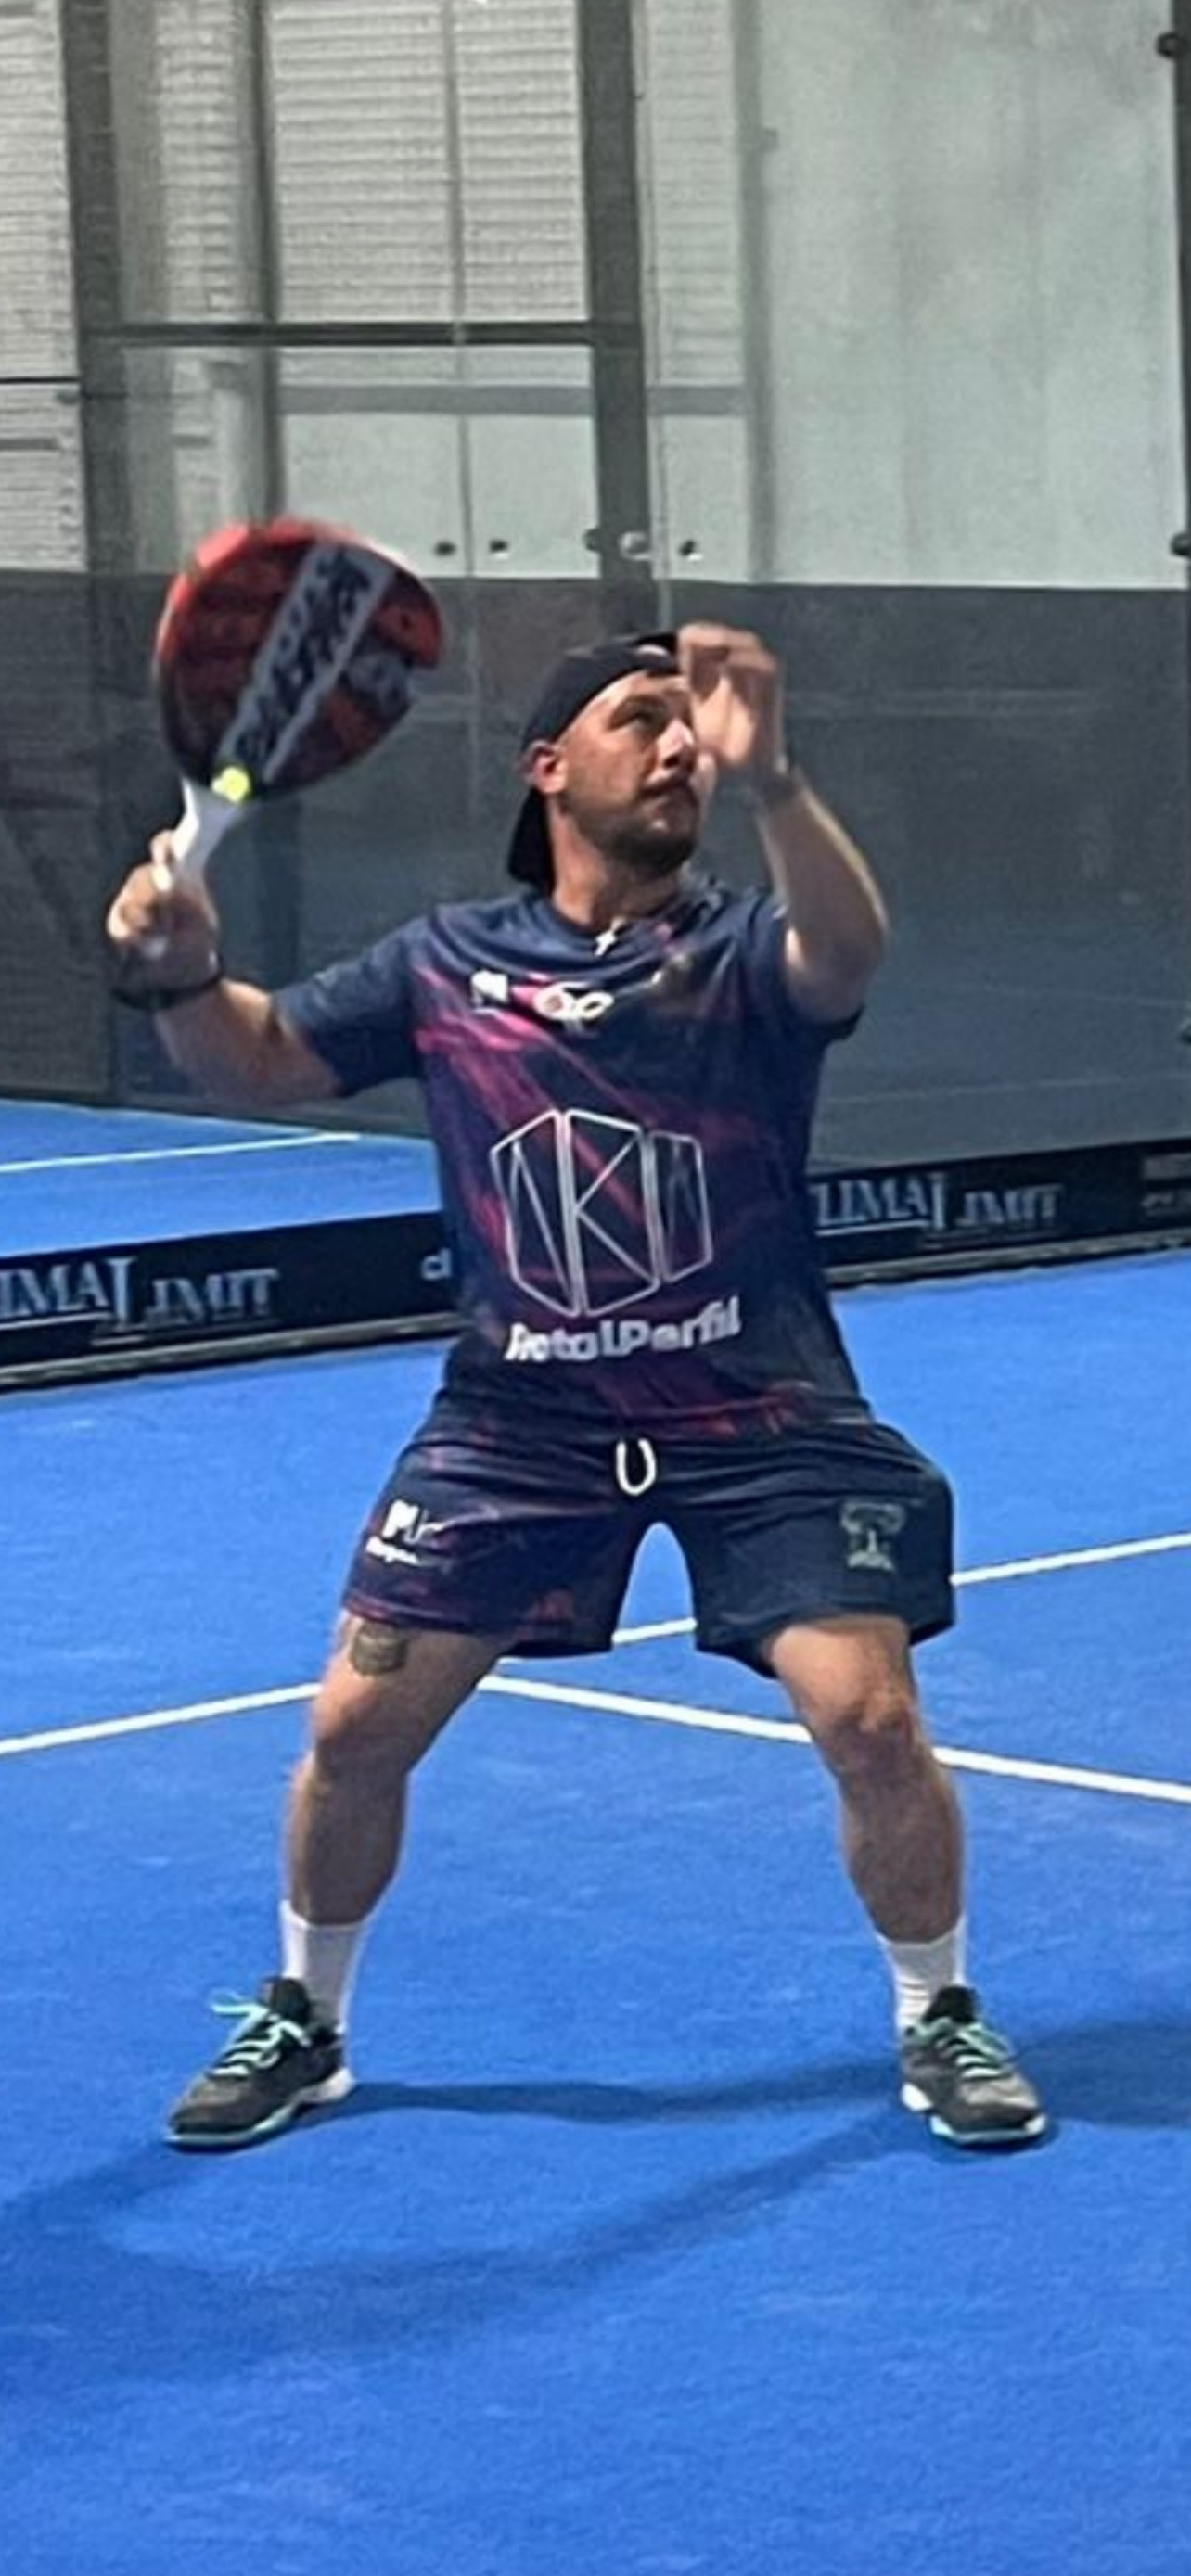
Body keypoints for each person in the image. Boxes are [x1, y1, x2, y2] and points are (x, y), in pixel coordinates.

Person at [106, 621, 1045, 2154]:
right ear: (549, 766)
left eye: (692, 726)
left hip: (760, 1412)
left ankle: (938, 2009)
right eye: (642, 718)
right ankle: (307, 2017)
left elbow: (846, 953)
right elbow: (256, 1059)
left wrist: (777, 779)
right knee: (354, 1725)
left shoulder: (740, 951)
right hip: (521, 1421)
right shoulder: (443, 963)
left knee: (870, 1717)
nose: (681, 746)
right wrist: (180, 972)